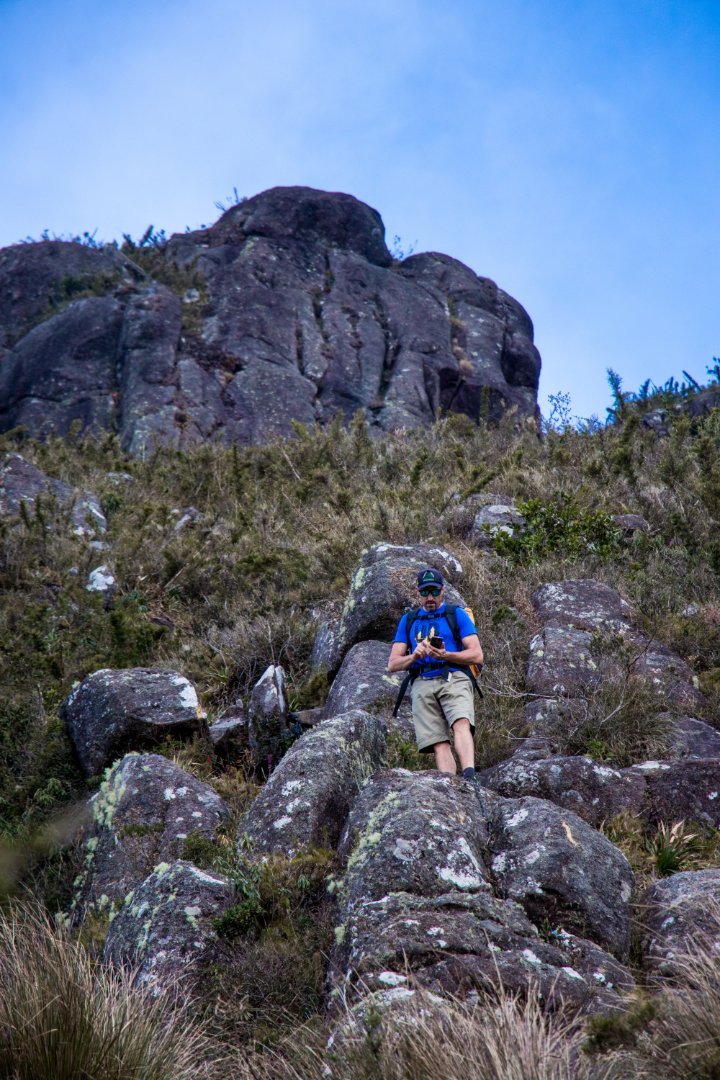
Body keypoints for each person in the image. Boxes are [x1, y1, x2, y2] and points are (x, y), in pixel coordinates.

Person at [387, 568, 484, 778]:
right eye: (424, 592)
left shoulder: (456, 614)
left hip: (453, 676)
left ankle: (470, 776)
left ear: (442, 591)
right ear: (417, 592)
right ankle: (451, 785)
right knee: (439, 741)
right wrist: (414, 657)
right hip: (421, 681)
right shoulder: (409, 620)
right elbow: (393, 664)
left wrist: (446, 655)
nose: (429, 597)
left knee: (461, 722)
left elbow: (477, 655)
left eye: (434, 591)